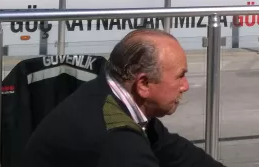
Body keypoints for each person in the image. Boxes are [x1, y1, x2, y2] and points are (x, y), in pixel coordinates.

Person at [20, 29, 225, 167]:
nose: (185, 86)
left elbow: (176, 153)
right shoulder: (117, 141)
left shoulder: (109, 94)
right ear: (143, 84)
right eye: (180, 76)